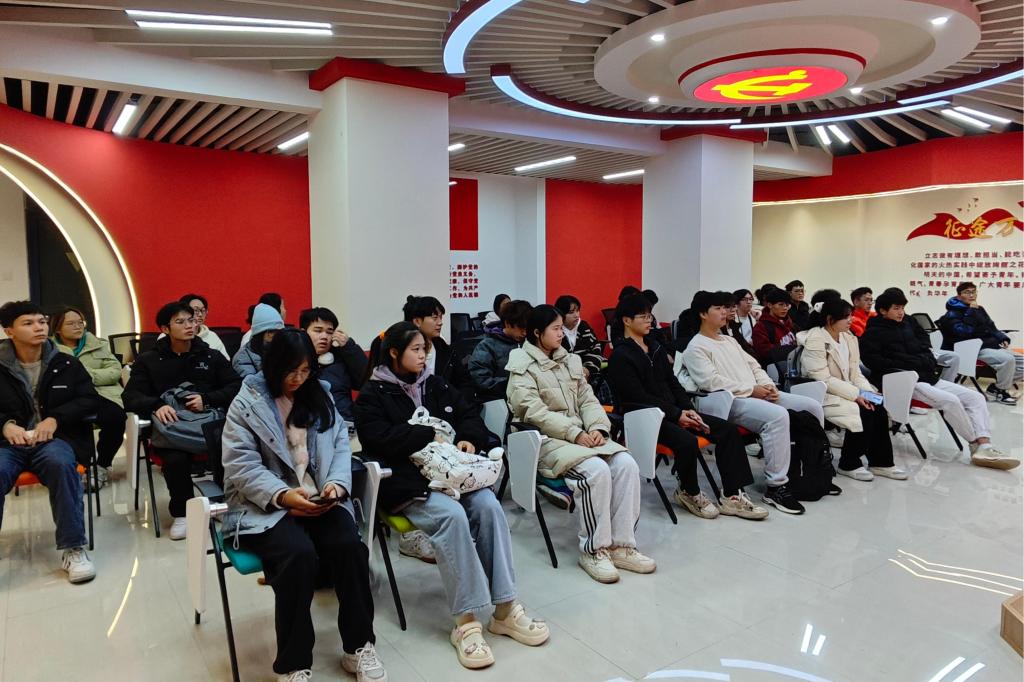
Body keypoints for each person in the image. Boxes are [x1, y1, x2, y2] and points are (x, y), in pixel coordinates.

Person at [355, 322, 548, 669]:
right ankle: (466, 622)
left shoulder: (436, 385)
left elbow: (469, 414)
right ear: (394, 353)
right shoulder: (373, 394)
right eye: (416, 349)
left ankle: (505, 609)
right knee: (452, 517)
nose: (423, 355)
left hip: (454, 475)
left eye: (425, 349)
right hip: (409, 484)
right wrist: (427, 435)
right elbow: (377, 440)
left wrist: (468, 438)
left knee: (489, 506)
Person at [222, 329, 386, 682]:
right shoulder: (247, 402)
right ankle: (293, 664)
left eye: (306, 370)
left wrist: (336, 485)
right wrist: (282, 496)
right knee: (297, 555)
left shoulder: (319, 395)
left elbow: (340, 446)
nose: (298, 379)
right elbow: (240, 466)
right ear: (273, 367)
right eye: (291, 371)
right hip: (265, 505)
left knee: (350, 547)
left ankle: (359, 646)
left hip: (318, 498)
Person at [507, 305, 656, 583]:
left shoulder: (569, 361)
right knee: (596, 472)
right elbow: (533, 412)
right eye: (555, 329)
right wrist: (574, 433)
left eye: (561, 328)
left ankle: (622, 546)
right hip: (546, 441)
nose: (561, 333)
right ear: (537, 333)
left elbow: (588, 400)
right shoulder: (521, 367)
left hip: (581, 436)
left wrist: (598, 427)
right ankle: (594, 550)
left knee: (626, 464)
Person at [606, 295, 768, 521]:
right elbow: (637, 396)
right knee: (686, 440)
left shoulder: (655, 347)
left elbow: (673, 382)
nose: (649, 320)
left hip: (674, 411)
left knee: (728, 430)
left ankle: (732, 495)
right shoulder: (621, 355)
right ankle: (688, 491)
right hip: (644, 417)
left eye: (650, 316)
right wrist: (677, 414)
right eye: (643, 316)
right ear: (626, 320)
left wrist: (687, 408)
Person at [682, 291, 826, 515]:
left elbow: (754, 365)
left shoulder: (729, 340)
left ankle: (814, 469)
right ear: (703, 314)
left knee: (811, 406)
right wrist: (752, 390)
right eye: (718, 308)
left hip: (756, 392)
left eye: (725, 308)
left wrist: (767, 385)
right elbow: (711, 382)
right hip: (730, 401)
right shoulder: (696, 347)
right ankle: (776, 486)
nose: (725, 312)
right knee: (777, 416)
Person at [860, 289, 1018, 470]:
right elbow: (875, 362)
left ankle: (985, 445)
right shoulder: (872, 333)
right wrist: (912, 363)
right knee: (950, 401)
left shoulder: (910, 322)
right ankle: (975, 444)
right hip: (903, 381)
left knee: (976, 398)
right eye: (896, 308)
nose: (901, 312)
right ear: (883, 310)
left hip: (927, 376)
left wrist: (926, 361)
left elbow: (926, 346)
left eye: (902, 307)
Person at [123, 302, 242, 539]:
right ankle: (183, 512)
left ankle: (221, 503)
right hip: (172, 428)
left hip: (208, 423)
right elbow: (131, 396)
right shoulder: (149, 360)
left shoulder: (211, 355)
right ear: (165, 329)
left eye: (191, 320)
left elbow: (236, 385)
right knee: (175, 459)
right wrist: (157, 405)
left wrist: (207, 399)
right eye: (180, 322)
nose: (189, 325)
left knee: (231, 448)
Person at [0, 301, 100, 583]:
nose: (39, 327)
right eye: (28, 323)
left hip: (55, 440)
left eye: (42, 321)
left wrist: (55, 419)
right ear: (9, 331)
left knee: (61, 464)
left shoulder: (66, 363)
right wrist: (5, 426)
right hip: (8, 444)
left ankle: (73, 548)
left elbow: (89, 400)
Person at [798, 299, 907, 482]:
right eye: (846, 317)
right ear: (830, 319)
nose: (851, 320)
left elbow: (855, 373)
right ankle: (849, 463)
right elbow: (822, 378)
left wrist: (868, 392)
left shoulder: (848, 337)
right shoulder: (815, 339)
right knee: (864, 410)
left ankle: (881, 462)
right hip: (823, 392)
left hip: (847, 390)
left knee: (878, 405)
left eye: (850, 316)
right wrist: (857, 395)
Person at [51, 306, 127, 488]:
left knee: (116, 418)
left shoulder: (98, 344)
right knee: (66, 421)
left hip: (102, 394)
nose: (78, 327)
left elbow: (115, 371)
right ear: (58, 329)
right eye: (71, 323)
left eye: (80, 322)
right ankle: (78, 468)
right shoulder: (50, 349)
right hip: (67, 398)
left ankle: (102, 465)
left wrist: (85, 376)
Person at [939, 281, 1022, 405]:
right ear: (959, 296)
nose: (971, 295)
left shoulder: (980, 309)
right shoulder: (952, 313)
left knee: (1022, 363)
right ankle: (1001, 391)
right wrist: (971, 312)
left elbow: (991, 326)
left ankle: (997, 388)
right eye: (967, 292)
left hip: (988, 345)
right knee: (1007, 360)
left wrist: (1003, 338)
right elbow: (964, 333)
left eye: (973, 292)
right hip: (971, 348)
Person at [300, 307, 366, 423]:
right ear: (303, 332)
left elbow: (365, 381)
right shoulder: (295, 361)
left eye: (329, 332)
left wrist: (349, 347)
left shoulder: (342, 357)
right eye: (318, 331)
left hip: (346, 424)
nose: (324, 336)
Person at [468, 299, 531, 401]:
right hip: (500, 399)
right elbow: (480, 379)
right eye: (520, 328)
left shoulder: (530, 343)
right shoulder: (487, 346)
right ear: (507, 323)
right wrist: (514, 384)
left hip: (530, 397)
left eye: (527, 328)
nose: (524, 333)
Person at [553, 295, 609, 397]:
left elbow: (595, 349)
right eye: (571, 312)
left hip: (588, 373)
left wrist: (587, 369)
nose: (576, 315)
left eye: (578, 311)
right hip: (564, 378)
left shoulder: (584, 327)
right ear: (561, 314)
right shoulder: (555, 331)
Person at [233, 303, 285, 379]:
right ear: (268, 333)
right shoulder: (242, 358)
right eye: (276, 332)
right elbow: (252, 384)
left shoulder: (283, 349)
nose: (280, 337)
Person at [751, 287, 799, 368]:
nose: (785, 308)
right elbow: (765, 353)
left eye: (787, 305)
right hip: (774, 369)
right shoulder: (761, 327)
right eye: (781, 304)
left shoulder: (790, 323)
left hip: (794, 365)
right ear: (770, 305)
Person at [179, 293, 229, 359]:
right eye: (196, 310)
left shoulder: (212, 336)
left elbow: (225, 361)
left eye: (203, 310)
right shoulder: (172, 335)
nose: (200, 314)